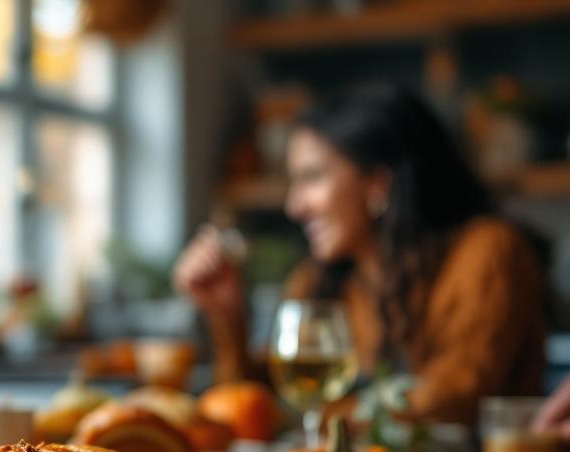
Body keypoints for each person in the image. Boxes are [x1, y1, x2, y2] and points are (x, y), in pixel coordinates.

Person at [174, 83, 545, 427]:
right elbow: (254, 413)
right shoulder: (317, 280)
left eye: (313, 177)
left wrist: (316, 417)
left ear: (376, 184)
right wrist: (229, 316)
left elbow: (454, 397)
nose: (294, 206)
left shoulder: (490, 251)